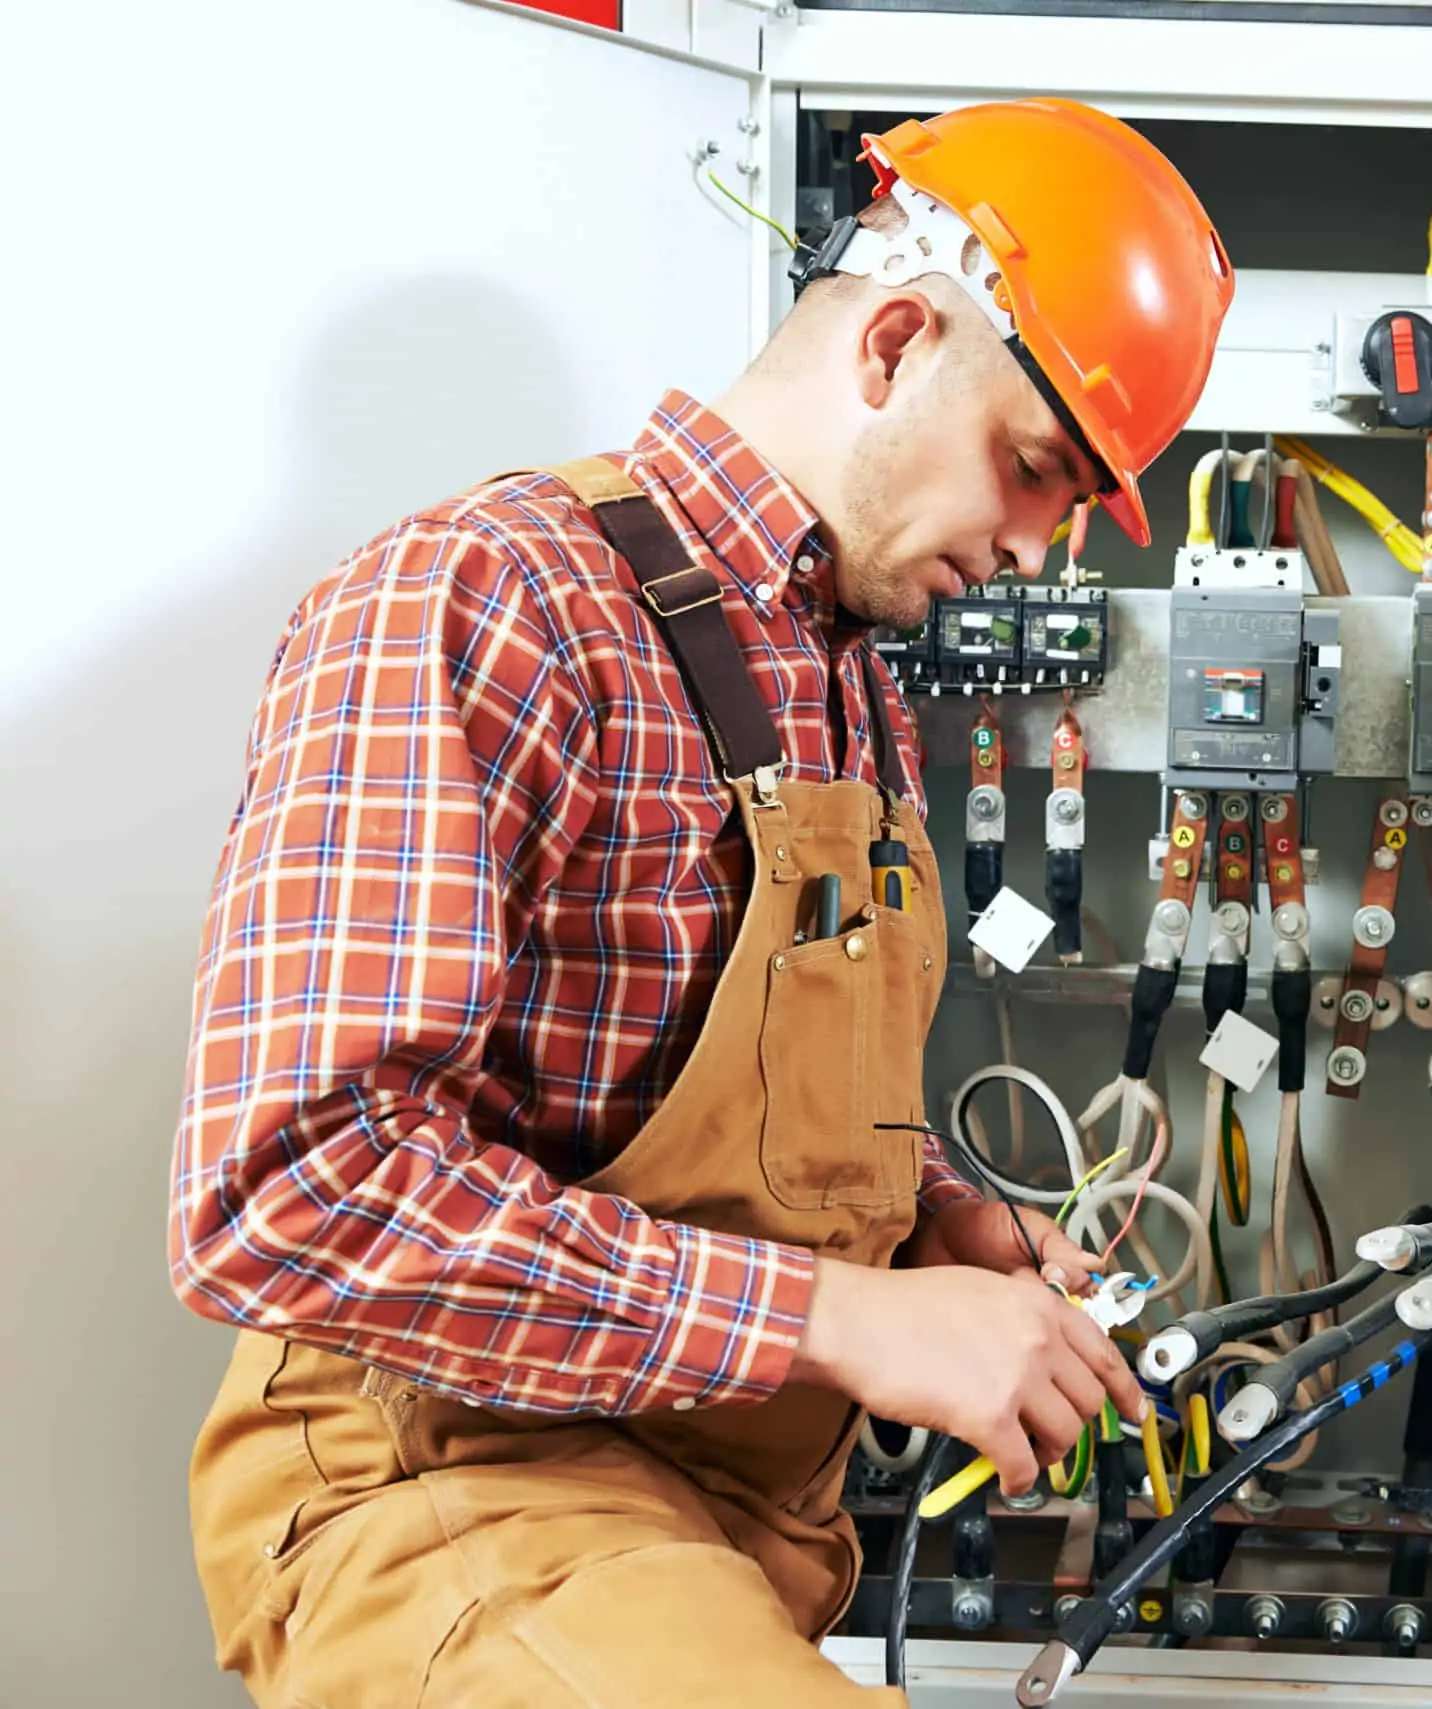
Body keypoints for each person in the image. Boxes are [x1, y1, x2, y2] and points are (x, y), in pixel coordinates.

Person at [169, 98, 1233, 1706]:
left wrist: (926, 1207)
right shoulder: (489, 596)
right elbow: (289, 1191)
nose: (1034, 548)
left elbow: (660, 1076)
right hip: (454, 1490)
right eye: (1032, 471)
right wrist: (841, 1317)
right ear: (892, 341)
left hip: (714, 1528)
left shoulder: (841, 680)